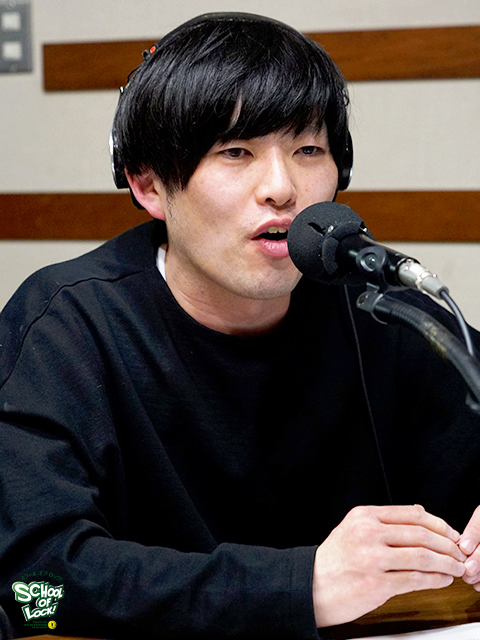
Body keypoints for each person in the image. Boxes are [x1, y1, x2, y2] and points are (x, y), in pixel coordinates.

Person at [1, 11, 480, 640]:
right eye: (235, 152)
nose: (281, 188)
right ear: (148, 184)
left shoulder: (389, 310)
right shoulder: (64, 327)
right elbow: (35, 587)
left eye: (308, 150)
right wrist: (303, 585)